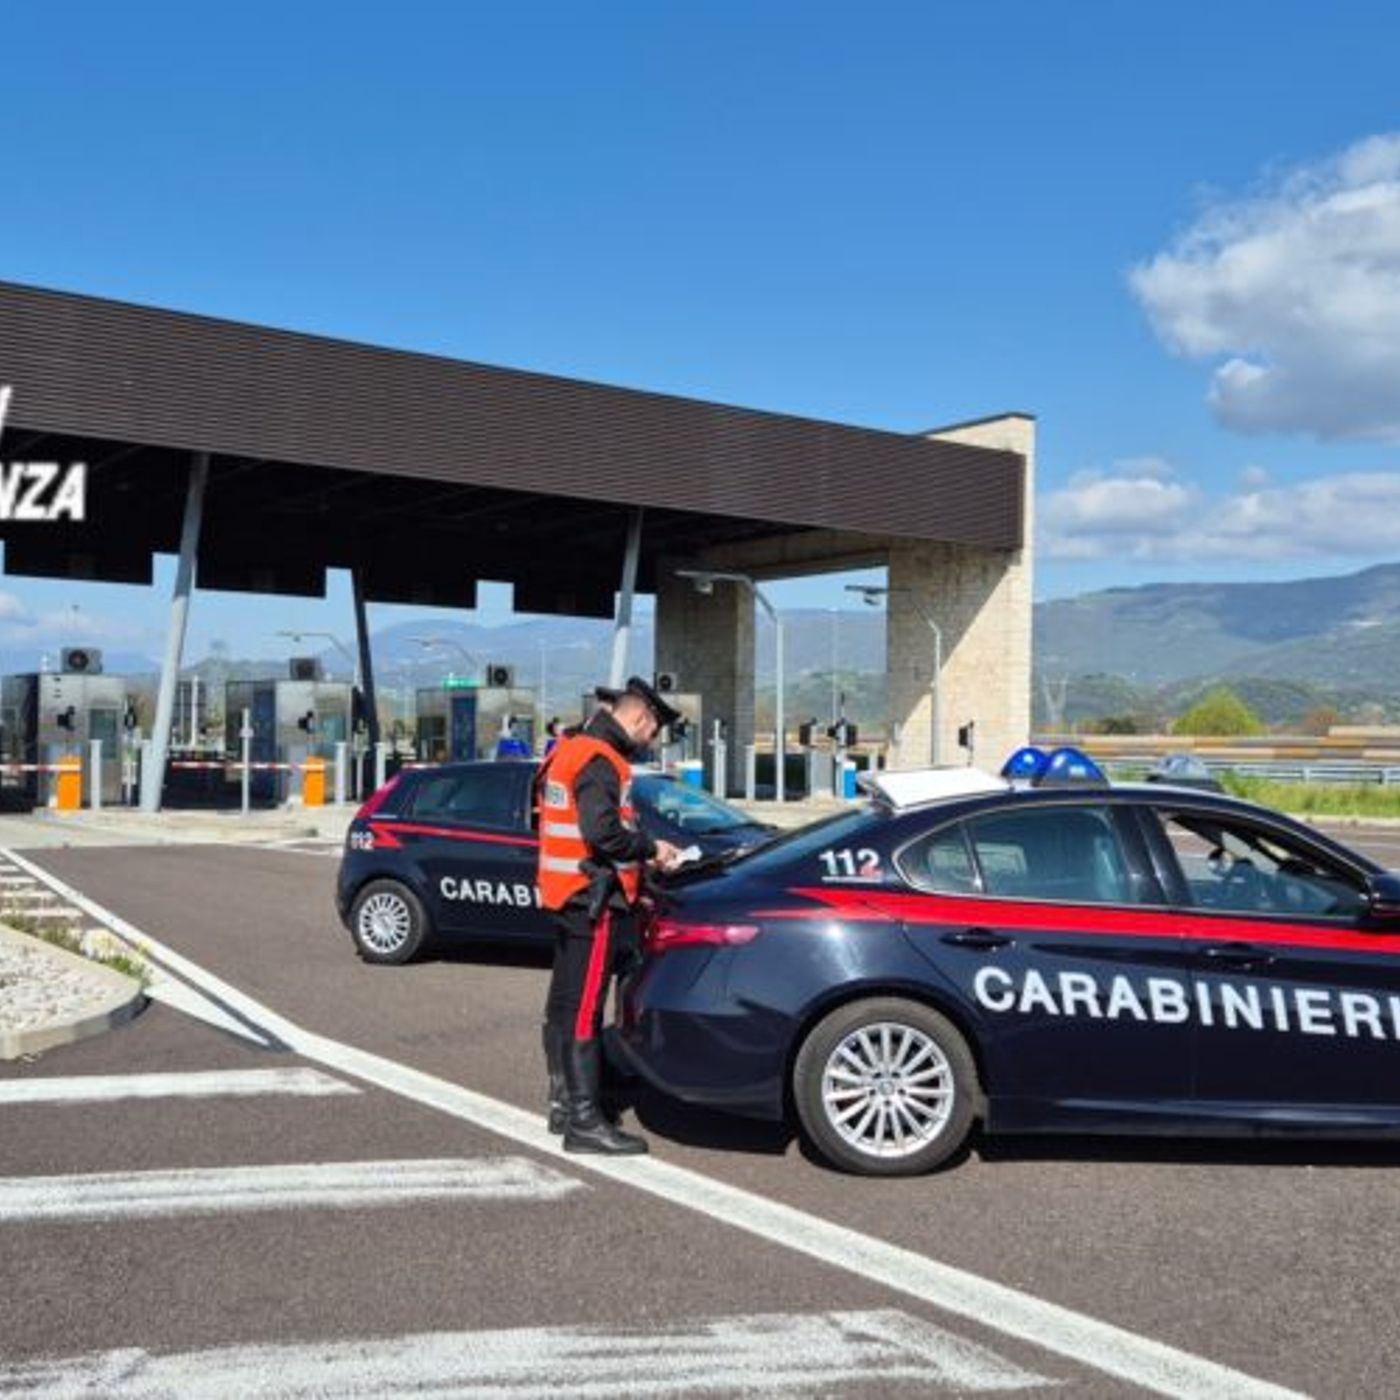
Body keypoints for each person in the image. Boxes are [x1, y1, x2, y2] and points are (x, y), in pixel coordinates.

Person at [536, 676, 682, 1153]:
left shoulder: (570, 749)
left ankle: (564, 1102)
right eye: (653, 732)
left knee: (563, 1003)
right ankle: (584, 1123)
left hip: (566, 894)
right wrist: (651, 848)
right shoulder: (600, 760)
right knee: (583, 1011)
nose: (651, 742)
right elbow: (603, 833)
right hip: (592, 899)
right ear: (640, 718)